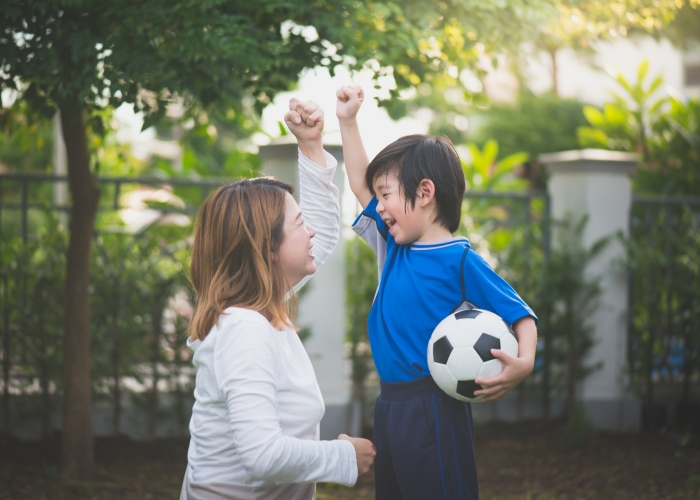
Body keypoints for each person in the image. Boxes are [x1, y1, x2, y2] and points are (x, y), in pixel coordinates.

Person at [336, 84, 538, 500]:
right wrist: (348, 121)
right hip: (389, 405)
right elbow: (359, 183)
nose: (379, 206)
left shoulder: (460, 259)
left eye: (386, 195)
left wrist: (526, 361)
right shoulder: (392, 246)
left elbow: (520, 314)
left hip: (434, 406)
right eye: (378, 198)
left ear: (425, 192)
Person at [181, 98, 376, 500]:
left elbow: (319, 237)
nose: (311, 233)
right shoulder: (244, 329)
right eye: (298, 224)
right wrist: (344, 457)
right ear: (268, 250)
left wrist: (310, 145)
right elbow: (262, 455)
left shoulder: (254, 307)